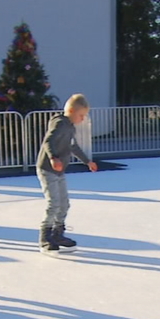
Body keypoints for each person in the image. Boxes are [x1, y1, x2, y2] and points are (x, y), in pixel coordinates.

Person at [36, 93, 98, 255]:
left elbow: (73, 147)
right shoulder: (59, 124)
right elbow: (47, 141)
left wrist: (87, 161)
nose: (83, 119)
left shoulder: (70, 127)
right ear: (71, 110)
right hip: (47, 169)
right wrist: (53, 158)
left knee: (64, 203)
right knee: (54, 203)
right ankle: (45, 238)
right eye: (81, 115)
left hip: (59, 170)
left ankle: (58, 234)